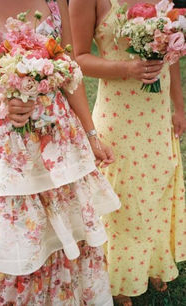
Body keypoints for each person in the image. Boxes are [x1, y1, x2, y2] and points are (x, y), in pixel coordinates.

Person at [0, 0, 121, 304]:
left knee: (72, 237)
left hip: (61, 146)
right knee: (23, 246)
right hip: (10, 153)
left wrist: (91, 134)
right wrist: (0, 98)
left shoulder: (53, 1)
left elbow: (72, 73)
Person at [69, 0, 186, 305]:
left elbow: (170, 55)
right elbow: (76, 60)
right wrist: (127, 68)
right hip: (119, 114)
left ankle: (153, 262)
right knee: (124, 196)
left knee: (157, 186)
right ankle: (119, 274)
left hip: (156, 113)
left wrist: (179, 106)